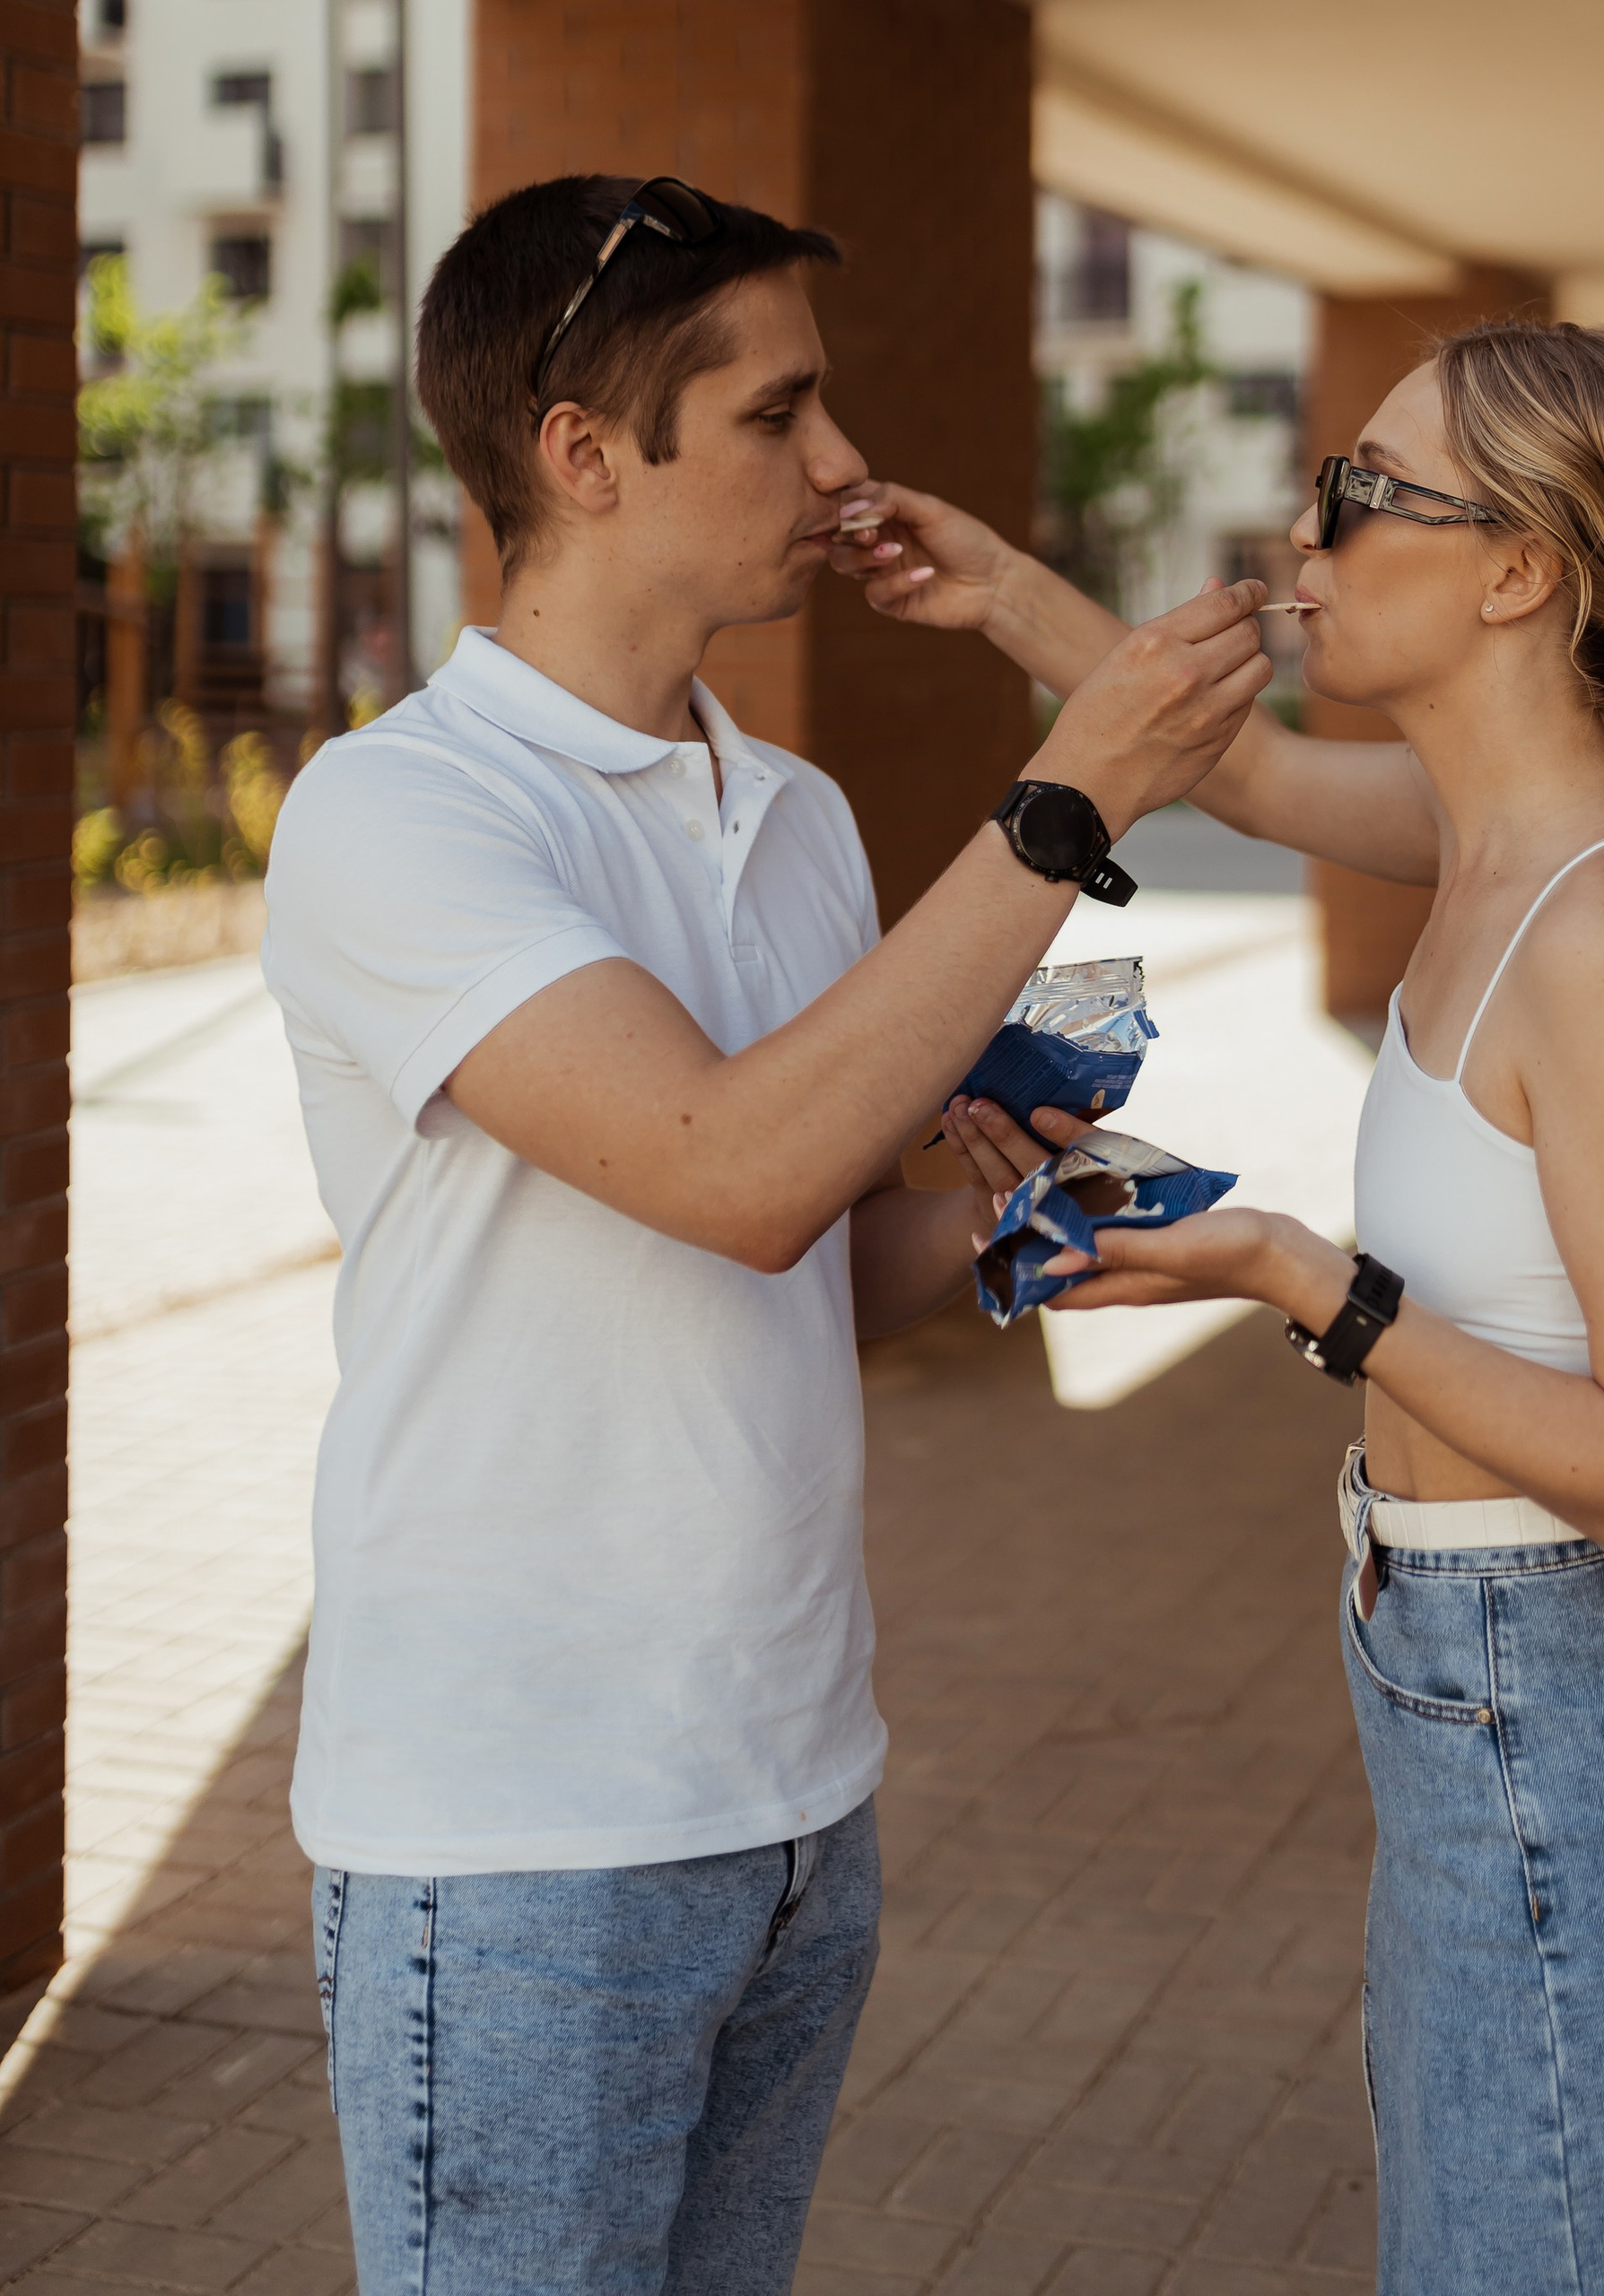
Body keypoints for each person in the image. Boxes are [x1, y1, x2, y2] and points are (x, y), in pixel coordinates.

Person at [260, 173, 1272, 2293]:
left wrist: (1022, 1232)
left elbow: (807, 1252)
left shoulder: (793, 811)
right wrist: (1058, 808)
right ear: (582, 456)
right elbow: (724, 1164)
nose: (840, 468)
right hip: (519, 1836)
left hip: (799, 1800)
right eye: (776, 417)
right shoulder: (404, 811)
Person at [833, 315, 1604, 2295]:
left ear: (1517, 570)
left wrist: (1300, 1276)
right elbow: (1253, 771)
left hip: (1563, 1724)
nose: (1306, 525)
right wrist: (998, 589)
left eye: (1360, 492)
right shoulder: (1494, 842)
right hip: (1468, 1704)